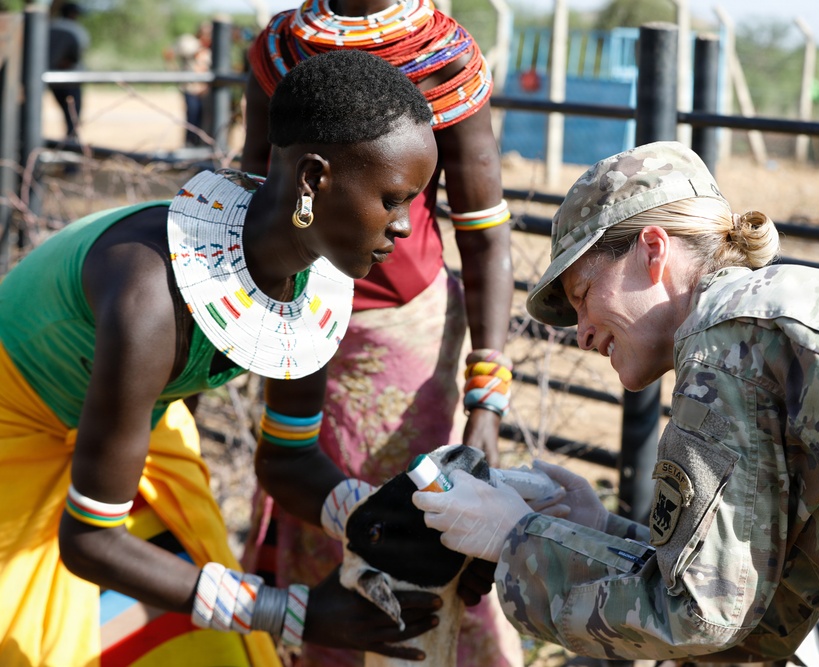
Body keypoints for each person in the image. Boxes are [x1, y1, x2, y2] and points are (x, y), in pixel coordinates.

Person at [414, 141, 819, 666]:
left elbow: (699, 614)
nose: (583, 333)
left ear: (653, 250)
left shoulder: (729, 342)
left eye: (585, 295)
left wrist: (514, 538)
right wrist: (592, 529)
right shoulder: (756, 321)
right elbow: (753, 614)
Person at [0, 50, 458, 666]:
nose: (405, 228)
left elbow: (288, 461)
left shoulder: (313, 285)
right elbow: (89, 544)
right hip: (16, 429)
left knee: (206, 649)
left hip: (123, 428)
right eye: (393, 199)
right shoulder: (152, 300)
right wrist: (292, 614)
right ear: (314, 178)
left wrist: (382, 521)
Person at [239, 2, 519, 666]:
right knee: (308, 509)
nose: (398, 217)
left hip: (403, 333)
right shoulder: (279, 49)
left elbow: (486, 237)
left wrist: (486, 402)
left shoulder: (441, 55)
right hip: (294, 312)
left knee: (422, 538)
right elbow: (253, 190)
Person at [164, 21, 213, 147]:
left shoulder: (212, 47)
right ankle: (189, 146)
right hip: (191, 88)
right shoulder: (189, 42)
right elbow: (169, 53)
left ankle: (199, 146)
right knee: (192, 117)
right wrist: (177, 73)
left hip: (205, 90)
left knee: (204, 119)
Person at [47, 2, 90, 141]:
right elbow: (75, 57)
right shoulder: (76, 30)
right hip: (71, 79)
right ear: (73, 15)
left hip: (50, 78)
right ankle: (71, 152)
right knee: (73, 120)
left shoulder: (49, 27)